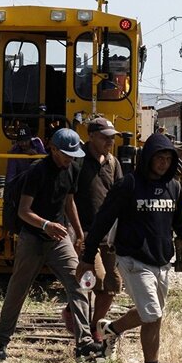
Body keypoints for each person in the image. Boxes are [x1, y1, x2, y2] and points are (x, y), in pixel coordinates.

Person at [79, 132, 182, 363]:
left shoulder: (173, 187)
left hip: (161, 261)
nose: (163, 163)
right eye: (158, 158)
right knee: (153, 315)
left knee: (150, 313)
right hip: (132, 259)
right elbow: (102, 222)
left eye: (167, 158)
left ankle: (112, 329)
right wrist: (87, 258)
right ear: (148, 158)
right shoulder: (128, 185)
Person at [0, 128, 103, 361]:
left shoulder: (71, 169)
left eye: (73, 155)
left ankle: (84, 342)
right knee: (17, 289)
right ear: (52, 149)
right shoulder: (37, 172)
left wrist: (80, 235)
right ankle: (0, 341)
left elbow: (69, 203)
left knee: (78, 284)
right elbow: (24, 211)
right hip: (32, 238)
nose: (69, 159)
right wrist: (46, 225)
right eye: (65, 154)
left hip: (59, 240)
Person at [70, 116, 125, 341]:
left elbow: (121, 195)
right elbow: (68, 198)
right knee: (94, 280)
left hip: (108, 233)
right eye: (104, 137)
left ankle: (93, 329)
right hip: (85, 231)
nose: (109, 142)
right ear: (91, 136)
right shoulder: (77, 162)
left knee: (112, 284)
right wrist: (77, 232)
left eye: (112, 138)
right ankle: (79, 323)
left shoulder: (112, 162)